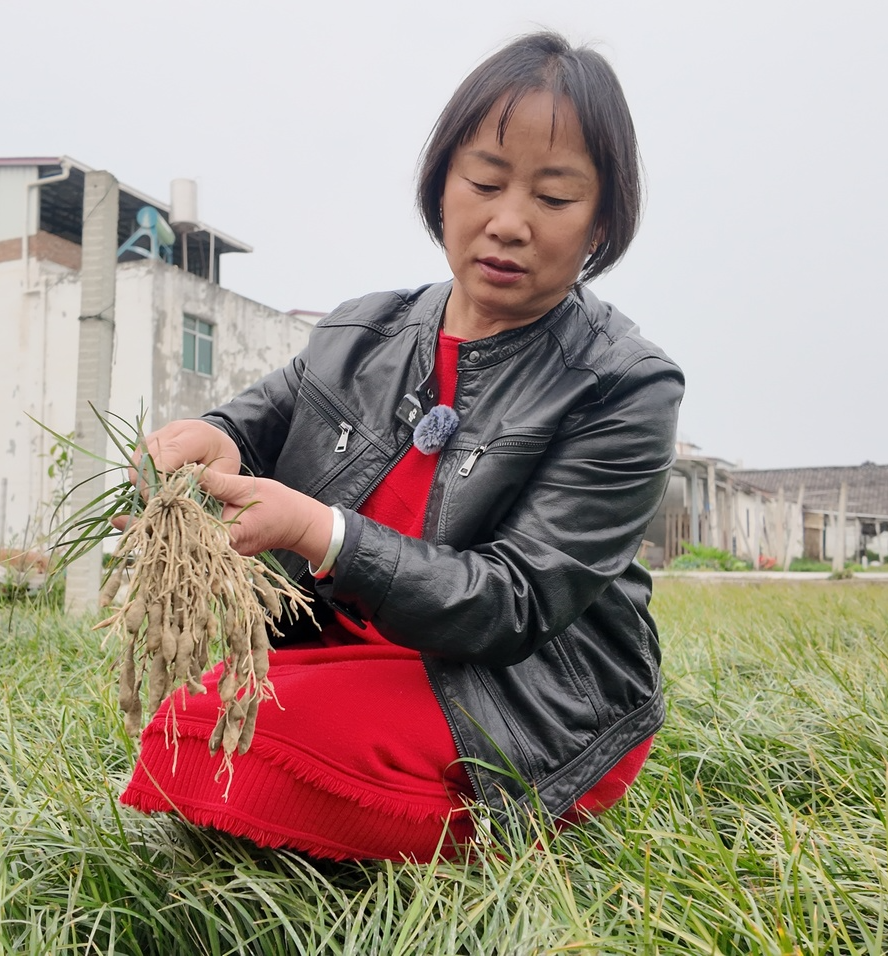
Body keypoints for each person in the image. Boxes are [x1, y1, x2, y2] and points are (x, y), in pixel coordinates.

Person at [119, 31, 685, 861]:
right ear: (441, 185)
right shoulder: (361, 330)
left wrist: (320, 532)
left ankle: (471, 824)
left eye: (554, 198)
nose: (508, 222)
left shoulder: (623, 384)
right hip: (359, 660)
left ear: (602, 219)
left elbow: (514, 602)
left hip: (521, 694)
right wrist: (210, 437)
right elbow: (253, 422)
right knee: (189, 728)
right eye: (484, 182)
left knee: (232, 753)